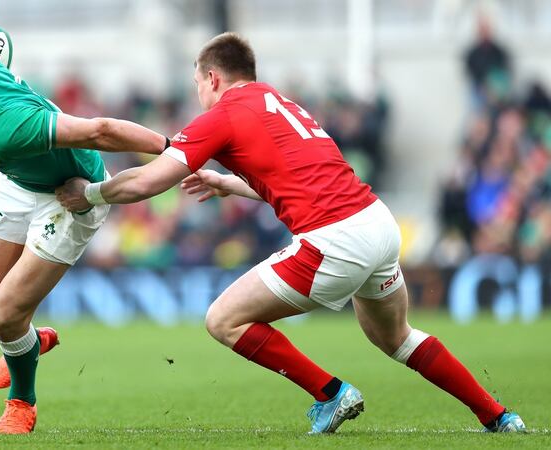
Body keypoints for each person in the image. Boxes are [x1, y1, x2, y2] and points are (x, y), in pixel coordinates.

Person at [56, 32, 526, 434]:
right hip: (376, 223)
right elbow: (299, 181)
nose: (198, 91)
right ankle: (498, 416)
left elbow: (148, 180)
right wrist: (227, 183)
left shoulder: (221, 115)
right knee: (396, 337)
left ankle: (332, 392)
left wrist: (92, 194)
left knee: (223, 319)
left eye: (197, 83)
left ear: (213, 79)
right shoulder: (281, 103)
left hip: (334, 240)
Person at [0, 5, 168, 434]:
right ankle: (28, 340)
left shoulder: (8, 125)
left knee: (5, 311)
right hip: (18, 180)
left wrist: (176, 148)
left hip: (71, 194)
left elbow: (98, 130)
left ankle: (21, 406)